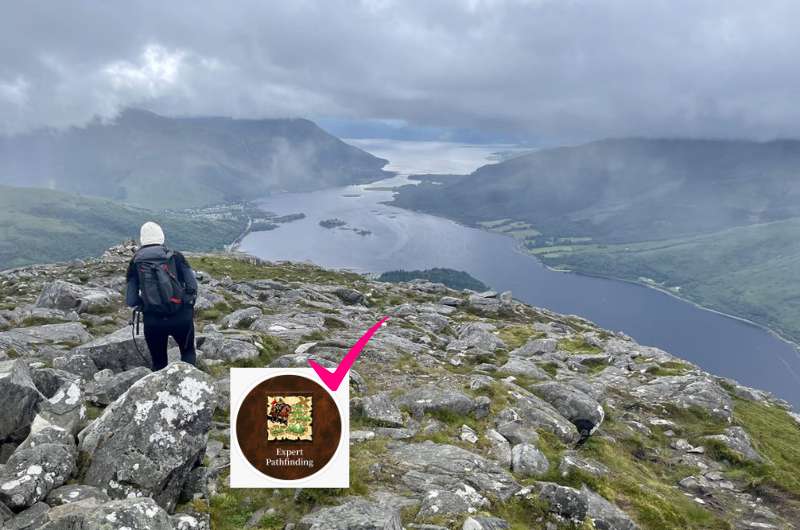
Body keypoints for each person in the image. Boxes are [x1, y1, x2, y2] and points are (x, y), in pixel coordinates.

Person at [125, 221, 198, 370]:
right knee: (188, 352)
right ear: (161, 237)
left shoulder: (135, 262)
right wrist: (180, 303)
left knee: (158, 363)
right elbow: (192, 287)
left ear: (142, 239)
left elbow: (131, 299)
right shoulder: (175, 256)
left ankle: (160, 390)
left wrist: (146, 305)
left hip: (153, 321)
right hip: (181, 317)